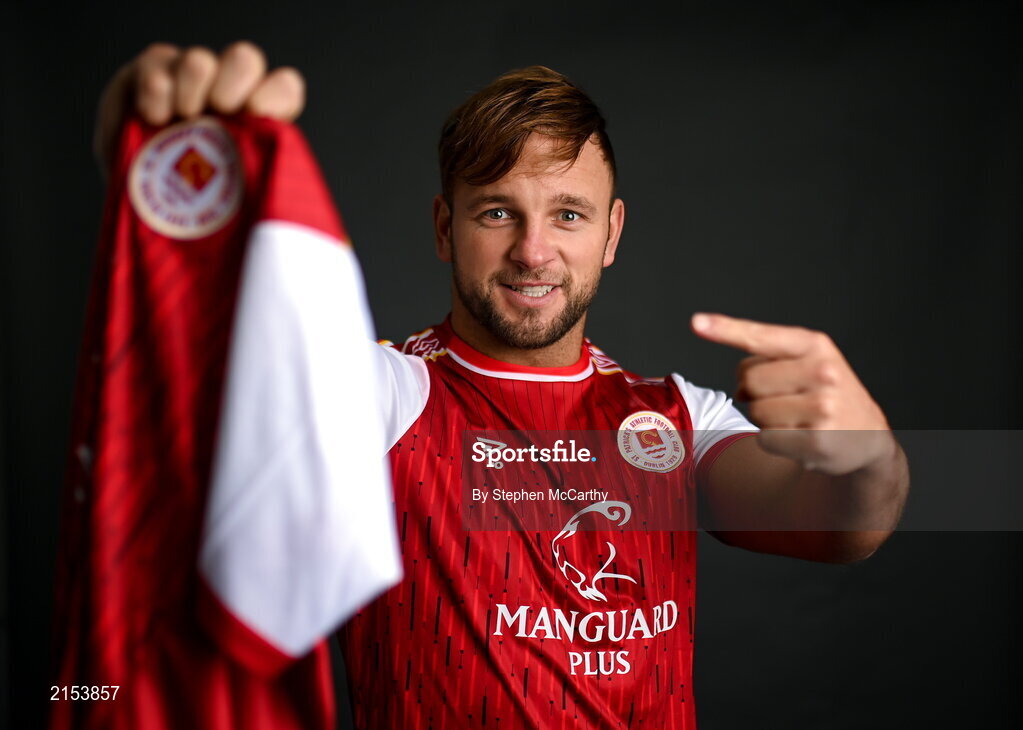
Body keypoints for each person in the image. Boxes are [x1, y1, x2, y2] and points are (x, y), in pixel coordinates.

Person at [91, 41, 910, 728]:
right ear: (445, 229)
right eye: (495, 213)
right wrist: (170, 196)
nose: (532, 251)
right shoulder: (382, 395)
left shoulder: (675, 416)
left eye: (567, 214)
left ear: (611, 232)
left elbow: (844, 529)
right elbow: (207, 377)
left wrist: (865, 454)